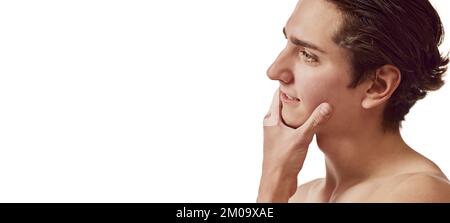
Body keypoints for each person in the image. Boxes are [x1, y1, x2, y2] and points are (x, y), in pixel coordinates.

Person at [257, 0, 450, 202]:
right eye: (287, 42)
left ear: (377, 85)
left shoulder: (420, 194)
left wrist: (272, 183)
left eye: (307, 55)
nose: (274, 71)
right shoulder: (298, 196)